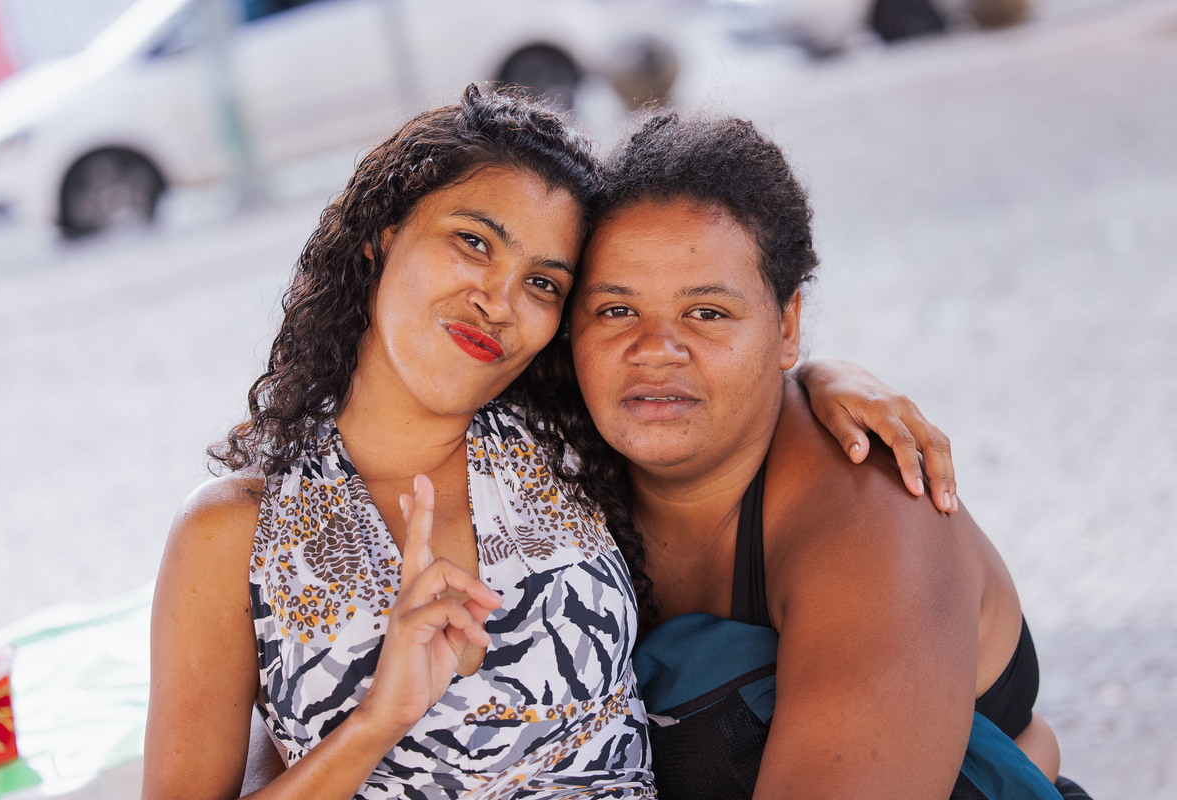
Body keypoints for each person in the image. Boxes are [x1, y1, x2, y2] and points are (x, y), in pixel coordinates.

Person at [143, 87, 958, 800]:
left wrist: (821, 375)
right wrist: (372, 725)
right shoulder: (233, 536)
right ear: (382, 236)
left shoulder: (564, 449)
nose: (497, 299)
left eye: (542, 283)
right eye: (472, 241)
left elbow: (708, 386)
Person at [542, 111, 1092, 800]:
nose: (656, 349)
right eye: (617, 310)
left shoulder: (876, 522)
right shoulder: (543, 473)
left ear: (787, 325)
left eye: (707, 313)